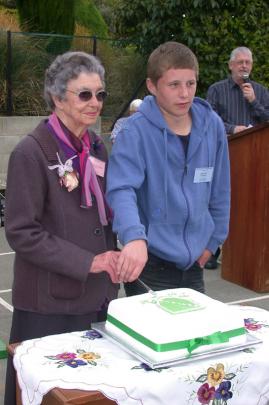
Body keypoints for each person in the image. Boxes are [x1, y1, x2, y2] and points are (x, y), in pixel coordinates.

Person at [4, 51, 119, 405]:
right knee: (47, 395)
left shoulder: (95, 145)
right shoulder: (30, 152)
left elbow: (106, 210)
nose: (95, 102)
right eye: (84, 94)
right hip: (49, 305)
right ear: (57, 97)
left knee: (88, 395)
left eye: (100, 94)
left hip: (96, 295)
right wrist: (89, 261)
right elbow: (22, 232)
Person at [106, 41, 230, 297]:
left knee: (196, 335)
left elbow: (221, 189)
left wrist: (213, 241)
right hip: (149, 263)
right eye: (174, 85)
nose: (184, 94)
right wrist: (134, 237)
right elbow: (121, 190)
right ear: (152, 86)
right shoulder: (134, 132)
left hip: (195, 262)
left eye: (191, 83)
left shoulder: (212, 126)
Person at [206, 46, 269, 135]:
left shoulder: (261, 91)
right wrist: (232, 129)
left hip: (256, 145)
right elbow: (209, 120)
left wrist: (254, 101)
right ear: (231, 65)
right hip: (227, 144)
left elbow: (267, 119)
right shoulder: (216, 90)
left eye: (247, 63)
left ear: (251, 66)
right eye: (240, 62)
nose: (244, 66)